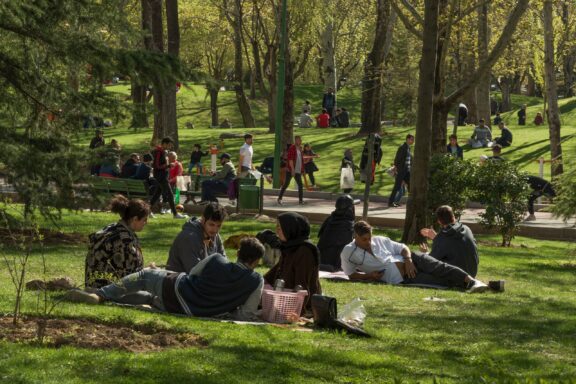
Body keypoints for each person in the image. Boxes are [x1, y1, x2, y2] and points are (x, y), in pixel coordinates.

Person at [68, 237, 266, 321]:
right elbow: (246, 313)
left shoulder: (216, 259)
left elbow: (193, 274)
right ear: (256, 261)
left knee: (146, 275)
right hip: (193, 311)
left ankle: (100, 295)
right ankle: (104, 296)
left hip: (177, 289)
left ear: (238, 252)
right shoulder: (256, 280)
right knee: (148, 297)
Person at [340, 221, 488, 292]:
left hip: (413, 259)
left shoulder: (380, 240)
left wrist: (408, 260)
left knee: (439, 267)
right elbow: (351, 274)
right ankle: (475, 285)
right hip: (404, 277)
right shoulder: (348, 252)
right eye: (364, 239)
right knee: (438, 281)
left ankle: (471, 281)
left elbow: (403, 247)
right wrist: (370, 276)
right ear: (356, 236)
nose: (368, 242)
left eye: (370, 238)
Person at [84, 195, 149, 288]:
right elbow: (128, 277)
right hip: (105, 288)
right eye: (144, 220)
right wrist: (148, 272)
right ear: (135, 219)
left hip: (92, 283)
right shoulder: (124, 241)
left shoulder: (113, 228)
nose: (146, 223)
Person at [264, 212, 322, 313]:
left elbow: (302, 286)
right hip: (284, 297)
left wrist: (297, 312)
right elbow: (274, 273)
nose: (277, 231)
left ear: (290, 229)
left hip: (300, 302)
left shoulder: (305, 251)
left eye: (280, 228)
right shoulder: (288, 247)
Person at [166, 202, 227, 273]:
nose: (215, 230)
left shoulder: (214, 235)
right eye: (211, 224)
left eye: (219, 226)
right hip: (179, 281)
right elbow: (195, 272)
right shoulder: (188, 237)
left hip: (200, 280)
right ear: (203, 219)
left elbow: (224, 263)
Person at [419, 205, 479, 277]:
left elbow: (432, 261)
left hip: (459, 277)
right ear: (453, 216)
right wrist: (436, 238)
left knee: (417, 257)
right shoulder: (466, 229)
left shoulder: (443, 236)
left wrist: (425, 254)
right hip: (472, 273)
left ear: (439, 221)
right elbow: (452, 244)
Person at [149, 137, 186, 219]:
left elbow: (161, 165)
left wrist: (168, 166)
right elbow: (156, 166)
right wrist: (168, 165)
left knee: (157, 194)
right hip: (161, 176)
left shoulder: (163, 152)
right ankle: (175, 214)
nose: (169, 147)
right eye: (169, 145)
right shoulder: (158, 152)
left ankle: (147, 211)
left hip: (162, 175)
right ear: (164, 144)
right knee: (170, 194)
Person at [317, 195, 356, 272]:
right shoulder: (348, 225)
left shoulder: (329, 219)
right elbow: (349, 247)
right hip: (334, 262)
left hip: (321, 258)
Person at [277, 136, 305, 206]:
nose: (300, 141)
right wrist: (292, 170)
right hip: (291, 170)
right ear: (295, 141)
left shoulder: (300, 148)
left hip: (298, 170)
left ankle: (301, 200)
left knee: (300, 185)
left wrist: (302, 169)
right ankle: (279, 198)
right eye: (298, 140)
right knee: (286, 184)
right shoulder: (292, 148)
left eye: (300, 140)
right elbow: (290, 160)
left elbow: (301, 159)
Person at [388, 134, 414, 207]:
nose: (413, 141)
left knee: (410, 185)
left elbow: (409, 160)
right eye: (412, 139)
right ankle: (390, 202)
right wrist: (397, 168)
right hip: (402, 170)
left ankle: (411, 201)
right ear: (407, 139)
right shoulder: (402, 147)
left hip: (407, 171)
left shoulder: (408, 148)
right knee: (397, 186)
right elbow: (397, 159)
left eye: (413, 140)